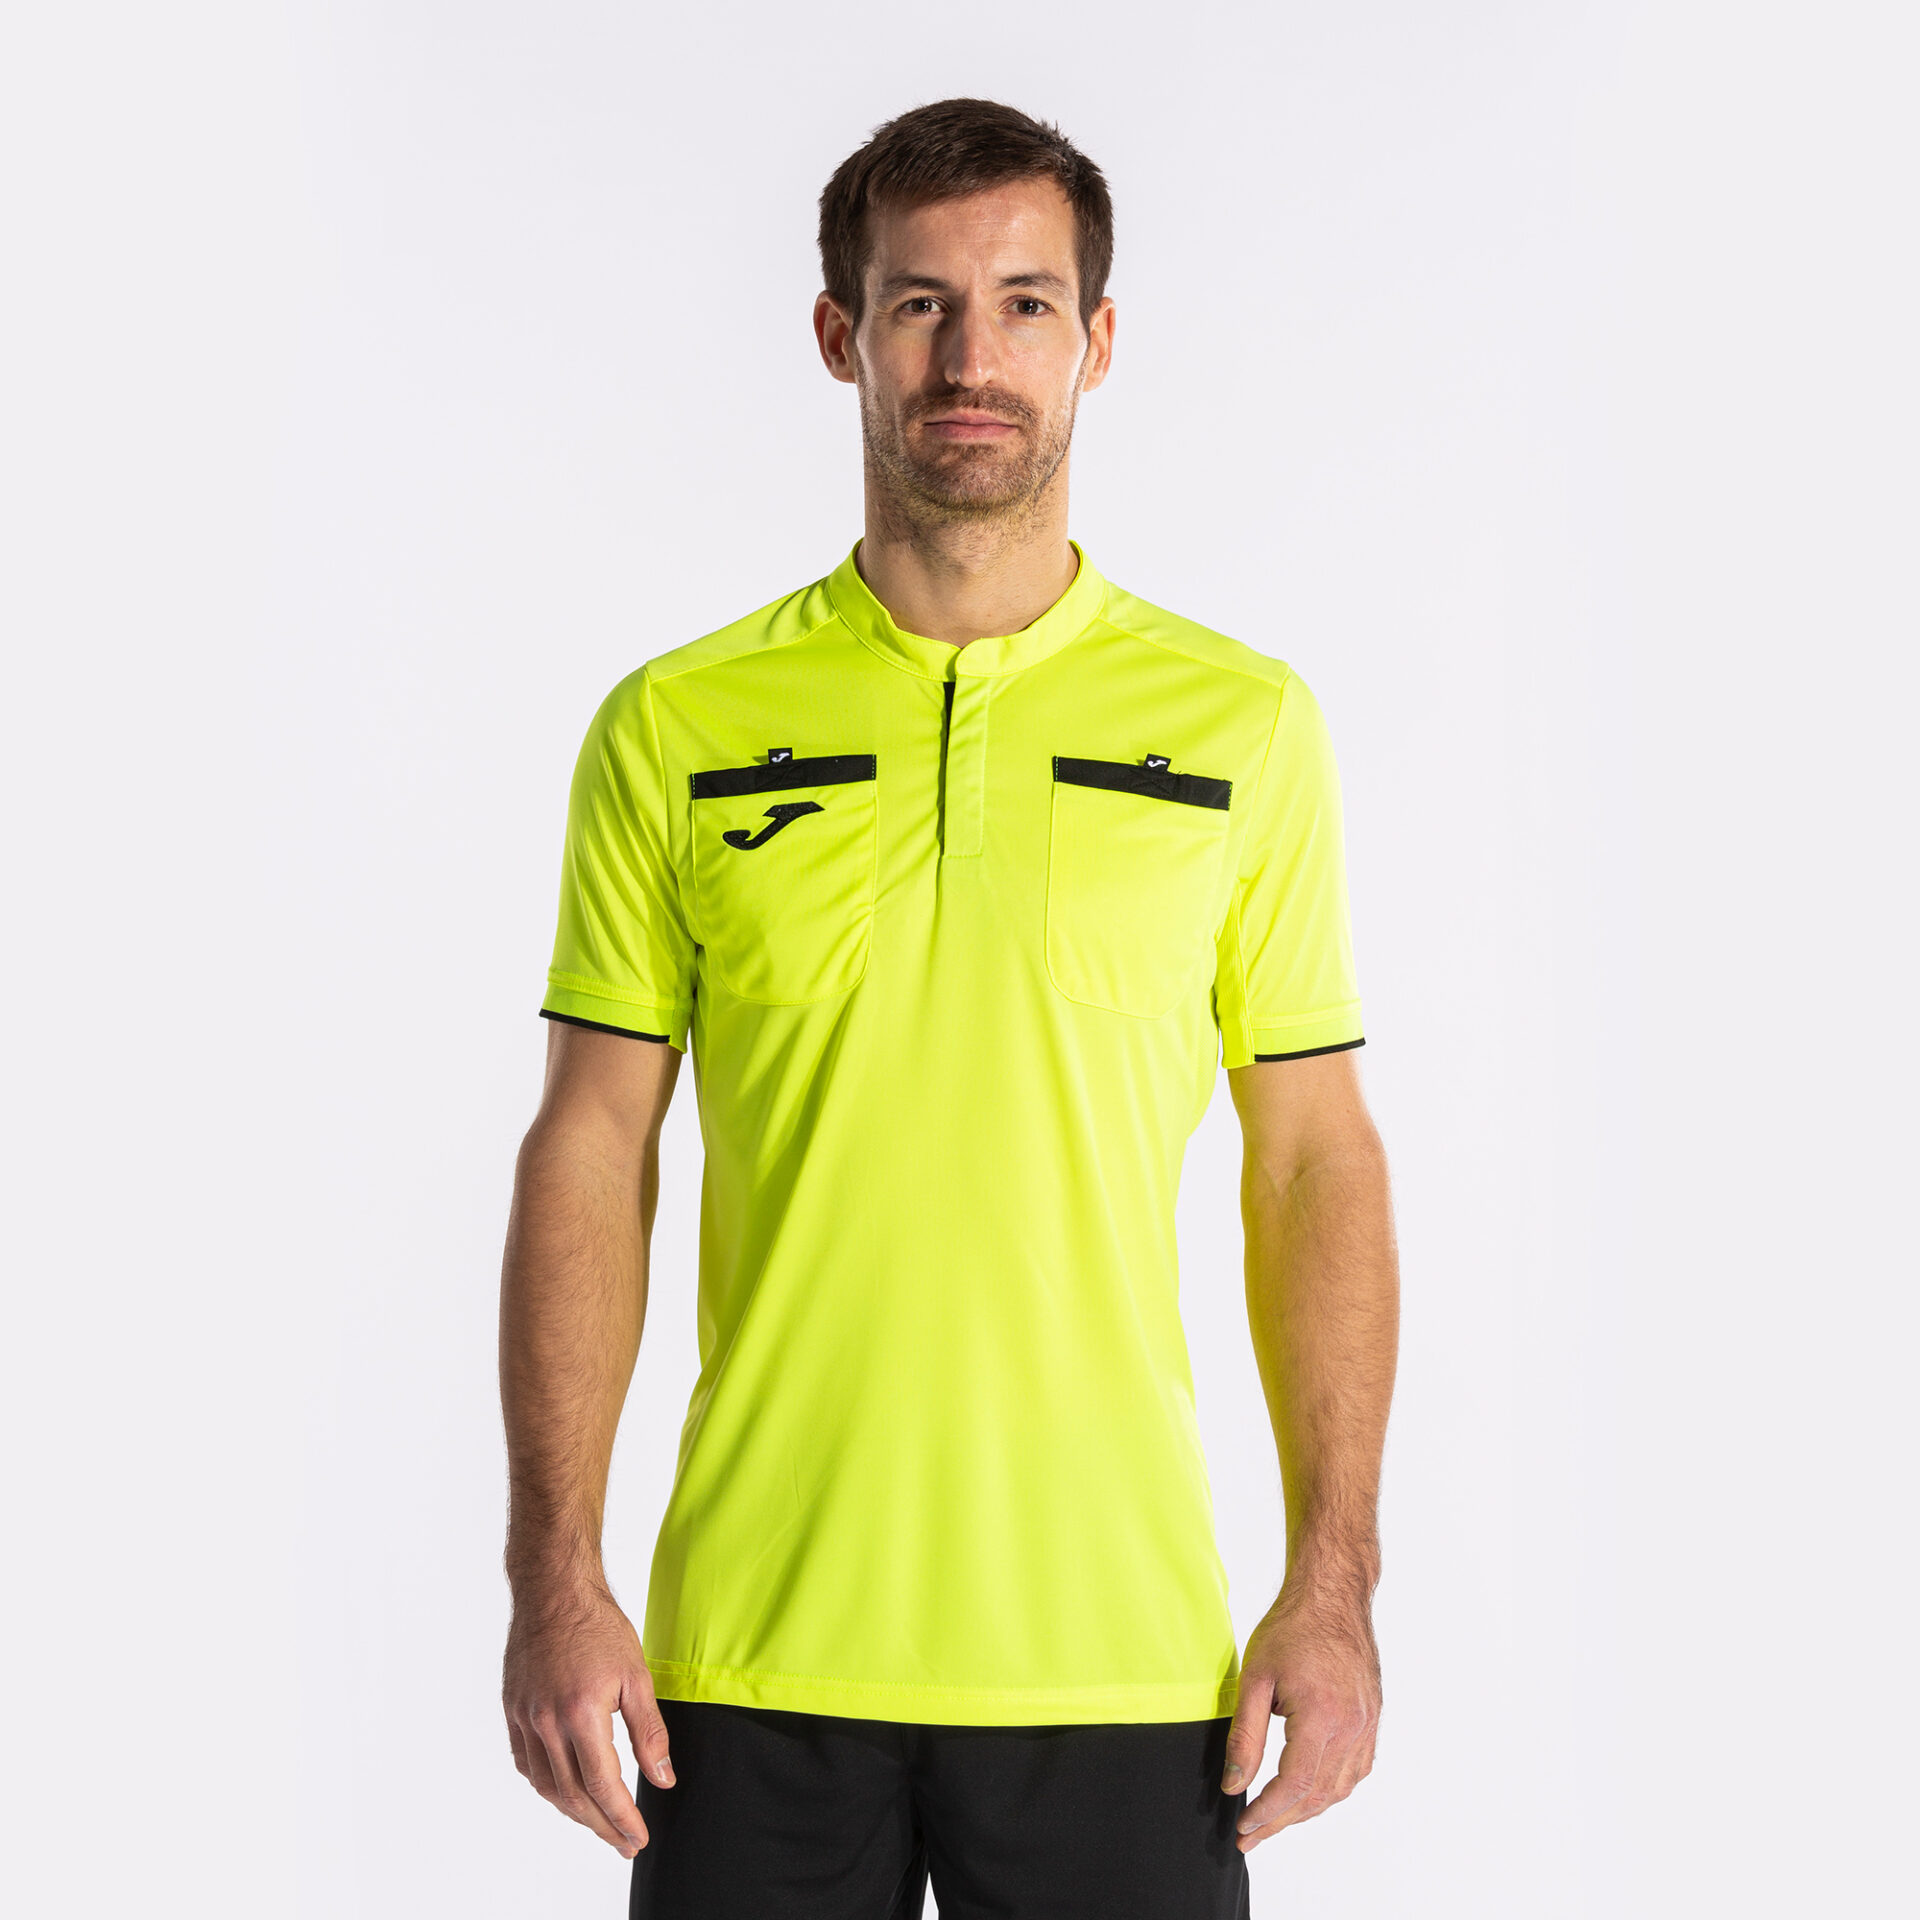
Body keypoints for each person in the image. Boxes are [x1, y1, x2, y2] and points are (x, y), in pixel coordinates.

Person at [498, 97, 1400, 1919]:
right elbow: (592, 1147)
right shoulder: (677, 725)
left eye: (1024, 303)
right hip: (743, 1663)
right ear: (841, 335)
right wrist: (552, 1576)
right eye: (919, 305)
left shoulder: (1245, 727)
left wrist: (1336, 1580)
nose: (971, 359)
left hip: (1124, 1666)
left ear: (1098, 340)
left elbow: (1313, 1160)